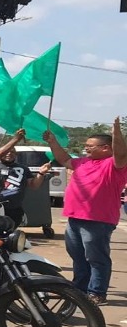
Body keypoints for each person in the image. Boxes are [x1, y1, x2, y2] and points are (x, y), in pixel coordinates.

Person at [45, 122, 127, 306]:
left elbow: (121, 154)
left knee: (96, 258)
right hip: (74, 218)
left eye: (90, 146)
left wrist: (116, 134)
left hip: (98, 220)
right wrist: (53, 142)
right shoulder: (83, 162)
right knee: (78, 257)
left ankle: (97, 293)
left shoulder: (114, 165)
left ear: (106, 148)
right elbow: (64, 159)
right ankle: (80, 290)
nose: (86, 148)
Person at [0, 148, 51, 227]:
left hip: (15, 208)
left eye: (12, 152)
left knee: (10, 233)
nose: (9, 153)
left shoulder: (23, 169)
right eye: (6, 151)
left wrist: (41, 173)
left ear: (16, 155)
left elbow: (34, 186)